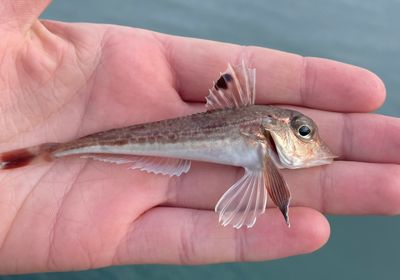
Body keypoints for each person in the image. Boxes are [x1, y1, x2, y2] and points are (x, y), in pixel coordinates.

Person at [0, 0, 398, 274]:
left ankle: (56, 151)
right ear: (270, 133)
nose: (310, 140)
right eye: (304, 133)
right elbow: (267, 181)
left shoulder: (261, 149)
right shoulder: (262, 147)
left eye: (305, 132)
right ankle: (55, 152)